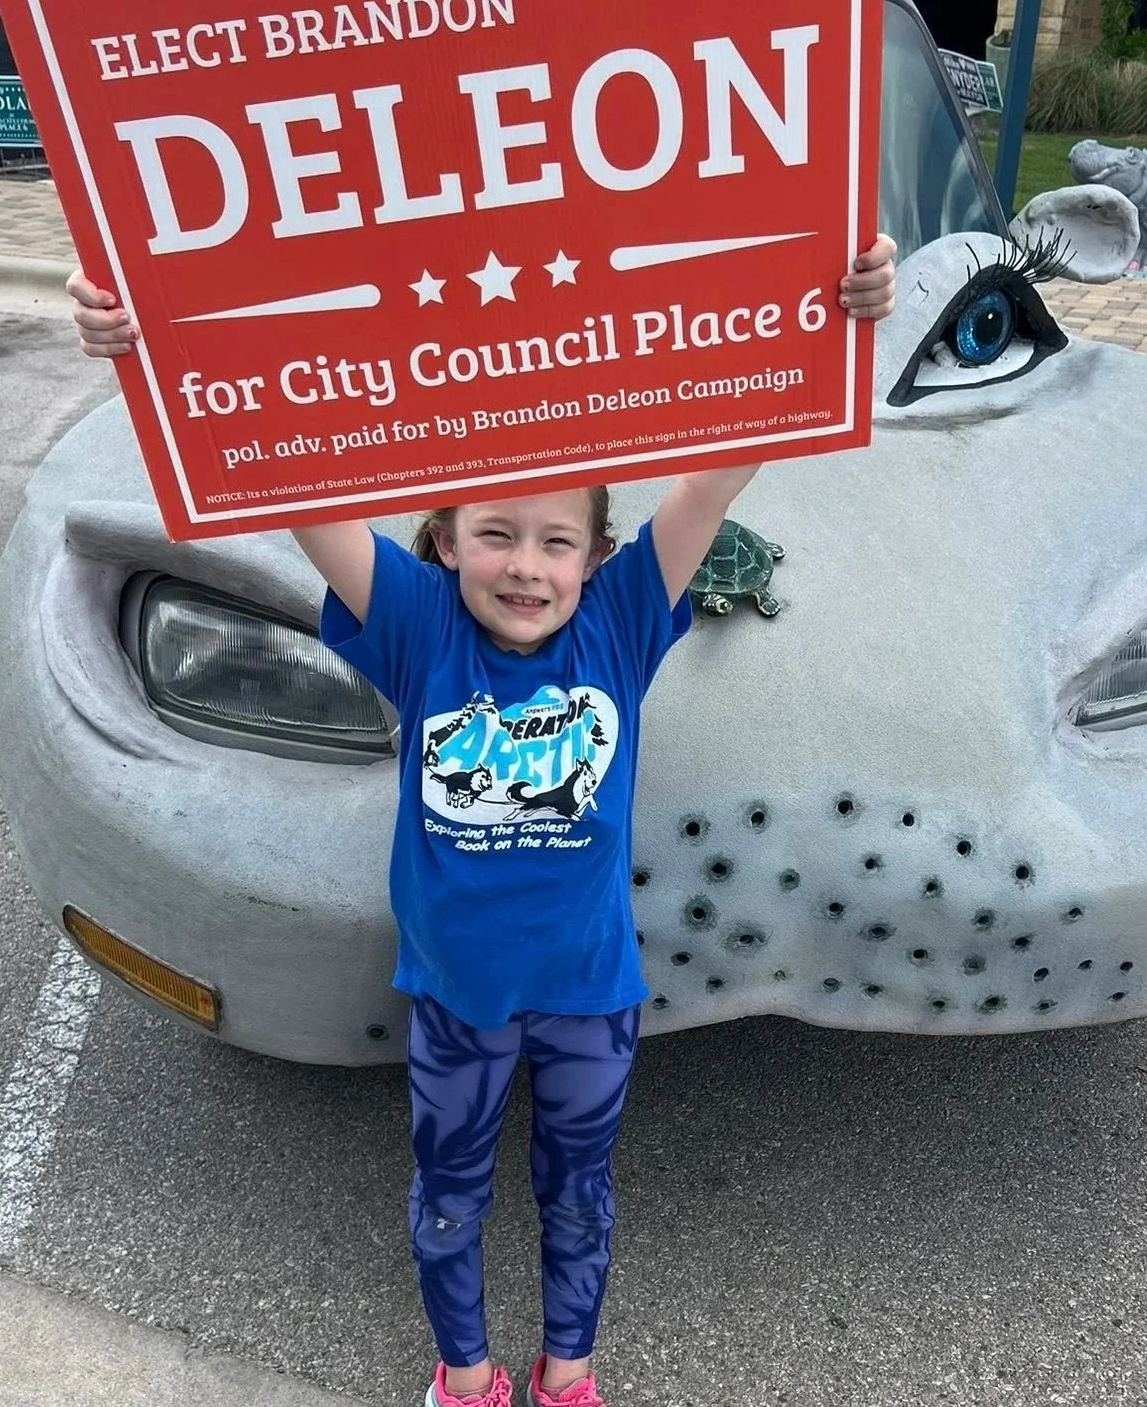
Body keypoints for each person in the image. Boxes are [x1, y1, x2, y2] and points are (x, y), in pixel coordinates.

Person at [66, 233, 896, 1407]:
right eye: (496, 533)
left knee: (579, 1189)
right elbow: (275, 469)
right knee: (449, 1188)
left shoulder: (619, 626)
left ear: (599, 558)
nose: (526, 566)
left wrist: (841, 318)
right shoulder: (417, 629)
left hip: (592, 996)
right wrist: (142, 353)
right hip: (456, 1001)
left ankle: (568, 1374)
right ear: (445, 538)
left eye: (558, 541)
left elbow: (720, 472)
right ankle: (464, 1375)